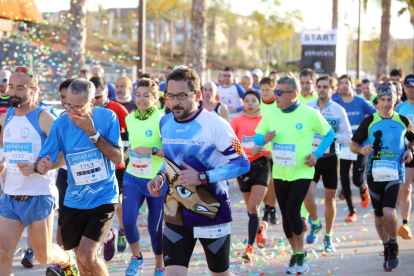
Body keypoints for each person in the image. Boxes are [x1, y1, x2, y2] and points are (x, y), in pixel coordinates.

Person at [147, 67, 250, 276]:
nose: (175, 102)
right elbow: (171, 159)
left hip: (211, 213)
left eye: (182, 96)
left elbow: (242, 163)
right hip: (175, 212)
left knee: (219, 274)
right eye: (170, 95)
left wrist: (203, 177)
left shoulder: (217, 125)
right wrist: (159, 176)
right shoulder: (165, 122)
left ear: (198, 96)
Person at [37, 78, 123, 276]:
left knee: (86, 256)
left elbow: (117, 158)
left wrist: (92, 133)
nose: (71, 110)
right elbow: (47, 159)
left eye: (78, 106)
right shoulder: (60, 124)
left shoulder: (107, 117)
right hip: (74, 200)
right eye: (68, 104)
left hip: (103, 197)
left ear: (91, 102)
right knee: (82, 264)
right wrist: (42, 165)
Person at [0, 66, 78, 275]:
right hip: (10, 197)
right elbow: (4, 149)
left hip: (39, 197)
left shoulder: (44, 118)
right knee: (2, 254)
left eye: (21, 88)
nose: (14, 92)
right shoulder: (5, 118)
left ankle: (68, 259)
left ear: (33, 90)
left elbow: (65, 154)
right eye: (11, 87)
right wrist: (2, 163)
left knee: (43, 256)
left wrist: (40, 167)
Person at [254, 75, 334, 275]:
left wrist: (316, 154)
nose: (276, 96)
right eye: (275, 92)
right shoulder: (272, 114)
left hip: (302, 172)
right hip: (280, 172)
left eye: (279, 92)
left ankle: (301, 253)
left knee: (292, 211)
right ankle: (296, 254)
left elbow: (329, 134)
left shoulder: (310, 114)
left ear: (294, 95)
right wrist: (263, 138)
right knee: (286, 217)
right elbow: (257, 136)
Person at [350, 82, 414, 272]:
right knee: (379, 218)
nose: (386, 104)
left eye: (390, 100)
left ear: (395, 101)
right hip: (374, 175)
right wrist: (362, 149)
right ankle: (386, 246)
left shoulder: (403, 120)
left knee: (388, 212)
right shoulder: (370, 121)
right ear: (378, 101)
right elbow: (353, 144)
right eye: (383, 100)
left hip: (396, 173)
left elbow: (413, 139)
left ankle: (393, 245)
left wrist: (411, 151)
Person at [123, 78, 166, 276]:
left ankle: (159, 266)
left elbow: (172, 151)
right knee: (128, 220)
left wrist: (152, 149)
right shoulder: (129, 119)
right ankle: (137, 258)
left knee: (155, 228)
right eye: (138, 95)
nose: (141, 99)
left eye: (146, 95)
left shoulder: (162, 119)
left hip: (156, 179)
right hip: (133, 176)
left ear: (155, 98)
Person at [304, 76, 352, 252]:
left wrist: (330, 137)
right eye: (319, 86)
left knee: (330, 201)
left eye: (325, 87)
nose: (322, 89)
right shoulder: (308, 107)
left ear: (332, 90)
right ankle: (315, 222)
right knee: (307, 196)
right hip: (311, 157)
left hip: (331, 158)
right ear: (315, 88)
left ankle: (328, 236)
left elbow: (348, 136)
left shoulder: (339, 110)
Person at [90, 76, 130, 259]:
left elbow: (132, 130)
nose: (95, 101)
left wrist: (124, 146)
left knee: (117, 202)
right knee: (99, 204)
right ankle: (108, 236)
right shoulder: (87, 110)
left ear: (106, 93)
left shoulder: (117, 109)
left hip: (117, 164)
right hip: (96, 165)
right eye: (92, 97)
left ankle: (121, 231)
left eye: (98, 97)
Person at [230, 91, 270, 262]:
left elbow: (273, 143)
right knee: (251, 210)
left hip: (262, 167)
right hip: (243, 168)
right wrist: (247, 151)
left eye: (254, 100)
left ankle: (249, 248)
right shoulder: (236, 121)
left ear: (259, 103)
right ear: (243, 103)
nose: (250, 103)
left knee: (254, 206)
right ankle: (260, 226)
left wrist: (268, 152)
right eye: (246, 101)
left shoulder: (266, 120)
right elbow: (230, 144)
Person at [333, 74, 376, 222]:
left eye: (347, 83)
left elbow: (375, 116)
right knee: (344, 179)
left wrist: (368, 132)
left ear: (352, 85)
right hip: (342, 146)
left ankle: (363, 189)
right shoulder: (335, 103)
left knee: (357, 180)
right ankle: (352, 211)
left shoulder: (361, 102)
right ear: (338, 86)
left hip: (359, 146)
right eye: (341, 83)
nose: (344, 86)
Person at [395, 74, 414, 240]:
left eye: (413, 87)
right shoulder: (400, 108)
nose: (410, 90)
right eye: (408, 87)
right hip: (407, 152)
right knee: (406, 188)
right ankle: (405, 224)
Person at [258, 77, 278, 225]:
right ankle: (266, 207)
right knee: (262, 182)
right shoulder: (256, 104)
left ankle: (273, 209)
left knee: (272, 182)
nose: (264, 92)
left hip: (274, 150)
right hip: (259, 149)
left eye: (267, 90)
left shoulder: (278, 105)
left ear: (273, 89)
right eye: (262, 89)